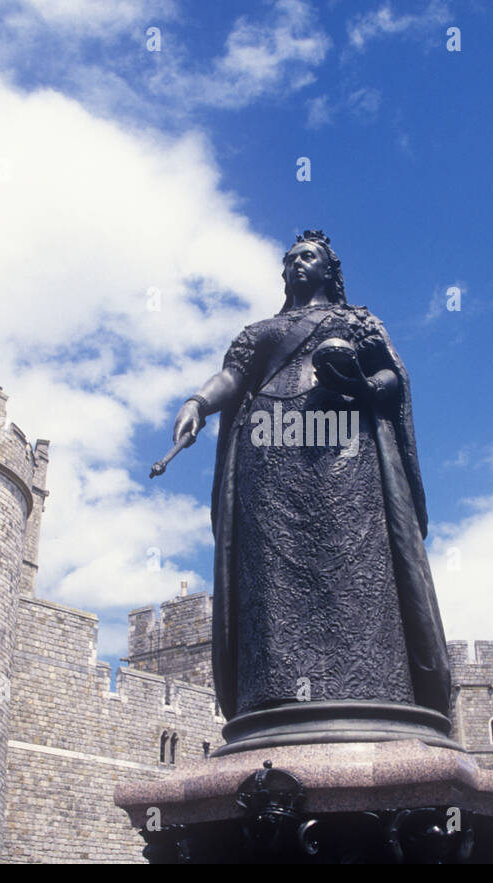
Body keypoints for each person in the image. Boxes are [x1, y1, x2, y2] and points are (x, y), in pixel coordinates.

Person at [171, 230, 452, 720]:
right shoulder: (259, 332)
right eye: (291, 259)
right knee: (271, 573)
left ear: (329, 269)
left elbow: (389, 379)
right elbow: (233, 378)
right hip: (268, 450)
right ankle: (274, 693)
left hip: (343, 449)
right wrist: (198, 403)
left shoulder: (355, 320)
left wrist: (362, 384)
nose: (298, 264)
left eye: (309, 257)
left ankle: (372, 685)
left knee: (353, 562)